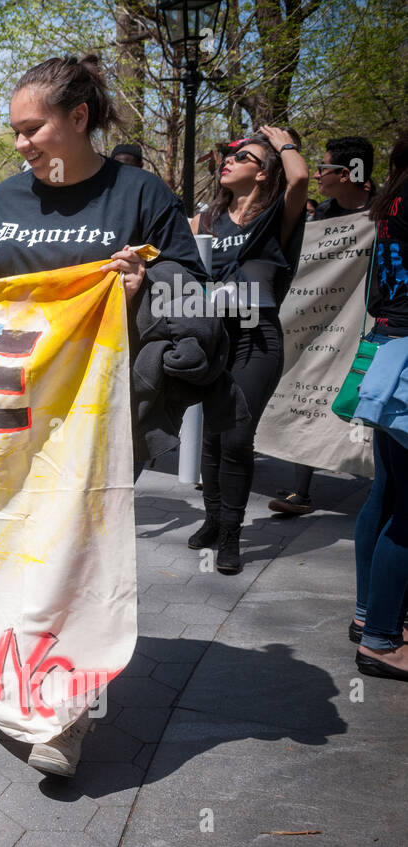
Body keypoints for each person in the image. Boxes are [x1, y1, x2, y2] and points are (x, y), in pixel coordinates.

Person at [0, 55, 211, 777]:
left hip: (97, 421)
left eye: (32, 128)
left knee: (76, 554)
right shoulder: (8, 200)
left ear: (79, 119)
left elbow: (193, 296)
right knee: (14, 546)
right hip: (4, 418)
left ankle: (65, 718)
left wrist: (148, 287)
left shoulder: (141, 195)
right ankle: (14, 665)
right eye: (14, 132)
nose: (21, 144)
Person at [185, 128, 308, 573]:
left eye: (243, 156)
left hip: (258, 339)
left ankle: (232, 535)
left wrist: (282, 144)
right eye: (229, 155)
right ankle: (213, 520)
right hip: (217, 336)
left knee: (236, 436)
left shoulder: (277, 215)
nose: (229, 160)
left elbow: (298, 180)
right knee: (213, 437)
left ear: (262, 172)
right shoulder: (209, 218)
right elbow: (170, 244)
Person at [271, 136, 377, 517]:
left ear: (349, 174)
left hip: (374, 327)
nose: (317, 175)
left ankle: (381, 489)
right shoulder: (321, 217)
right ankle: (302, 491)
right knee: (311, 391)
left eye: (324, 169)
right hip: (325, 326)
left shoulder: (385, 213)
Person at [352, 127, 408, 681]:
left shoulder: (392, 194)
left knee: (388, 493)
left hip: (391, 348)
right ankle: (382, 640)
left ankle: (374, 617)